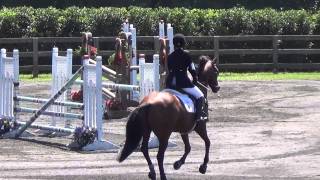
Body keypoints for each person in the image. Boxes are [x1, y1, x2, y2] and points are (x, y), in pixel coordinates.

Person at [165, 33, 205, 121]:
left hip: (170, 83)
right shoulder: (187, 55)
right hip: (183, 83)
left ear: (174, 44)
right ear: (183, 43)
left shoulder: (170, 57)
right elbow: (192, 69)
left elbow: (170, 68)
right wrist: (195, 79)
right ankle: (198, 117)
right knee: (200, 96)